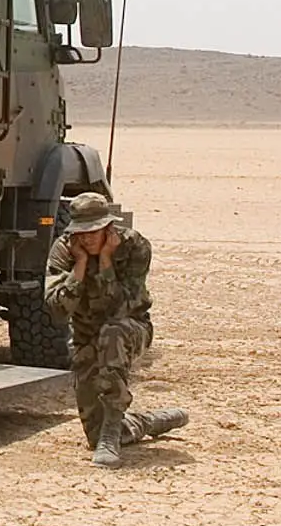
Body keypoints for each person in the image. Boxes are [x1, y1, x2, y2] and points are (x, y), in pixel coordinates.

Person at [42, 191, 186, 467]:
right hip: (87, 336)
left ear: (108, 228)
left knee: (113, 332)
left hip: (131, 328)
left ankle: (112, 431)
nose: (86, 238)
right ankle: (146, 422)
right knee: (94, 437)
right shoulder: (65, 249)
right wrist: (80, 265)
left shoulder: (135, 246)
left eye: (93, 231)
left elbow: (119, 309)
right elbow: (57, 309)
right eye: (81, 232)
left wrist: (106, 261)